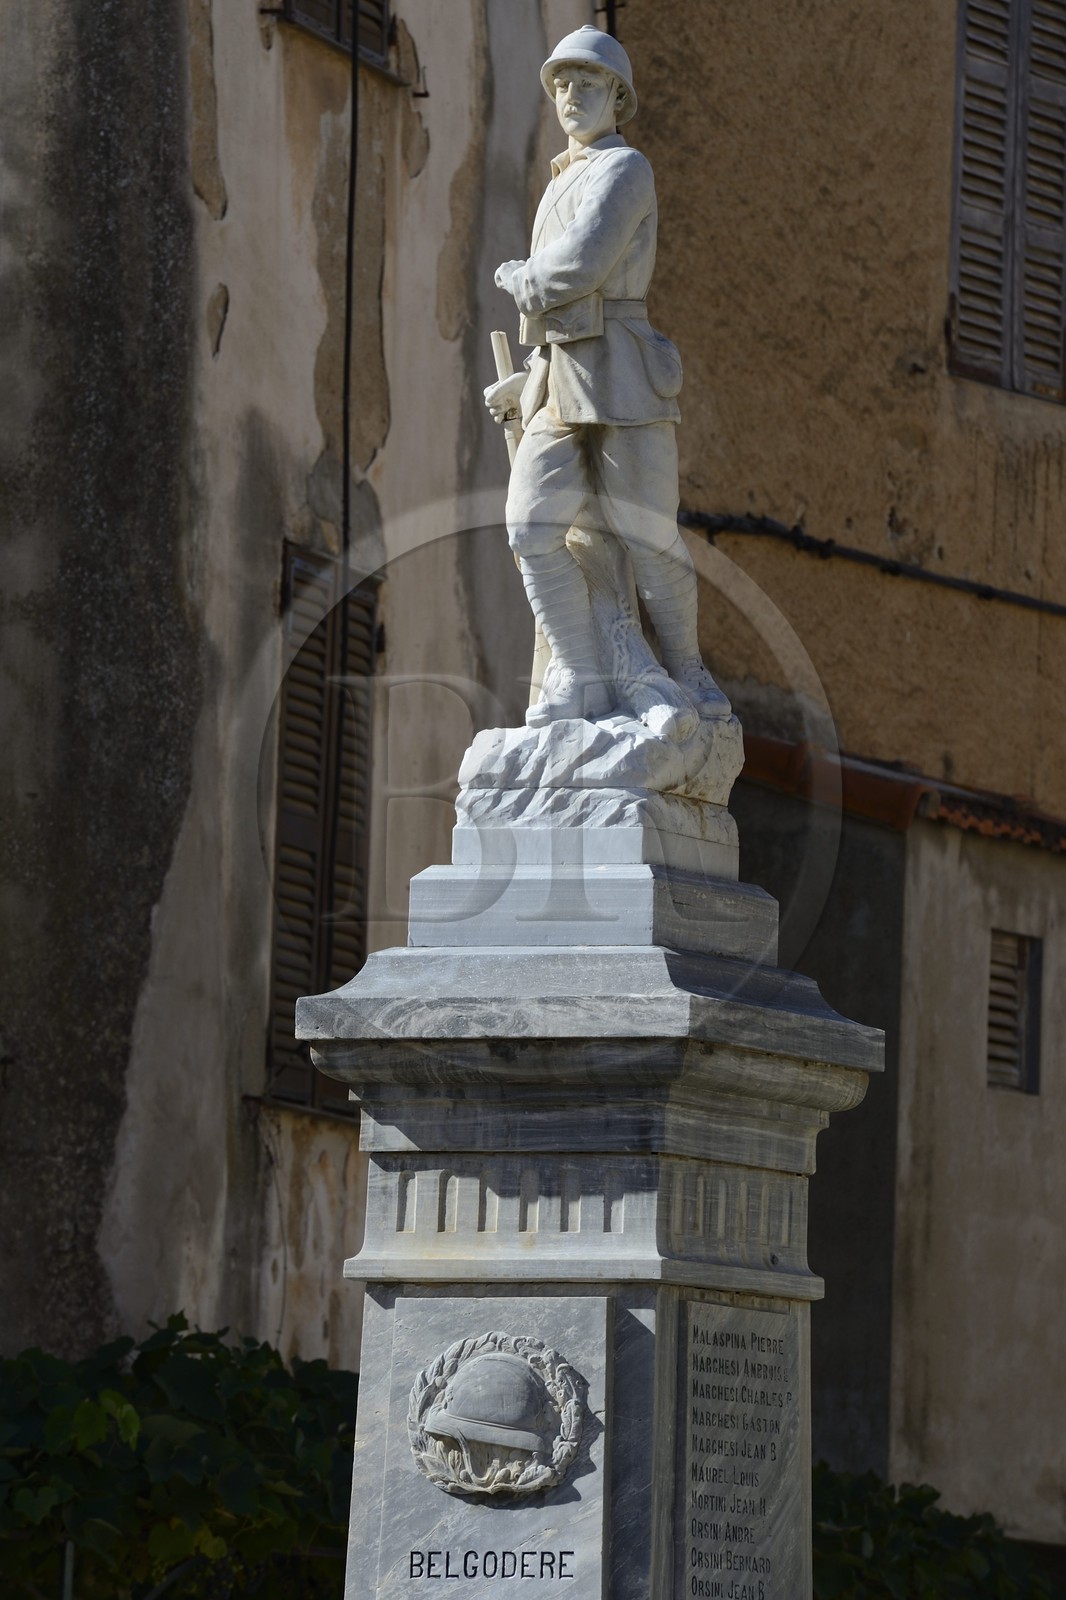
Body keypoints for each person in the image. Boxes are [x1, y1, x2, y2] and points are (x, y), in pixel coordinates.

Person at [485, 25, 728, 736]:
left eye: (588, 83)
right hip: (560, 374)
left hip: (621, 369)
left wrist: (522, 279)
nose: (571, 96)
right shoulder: (559, 182)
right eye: (561, 84)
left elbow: (584, 269)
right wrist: (527, 378)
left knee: (648, 536)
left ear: (618, 97)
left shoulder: (627, 170)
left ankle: (687, 668)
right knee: (531, 526)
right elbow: (566, 310)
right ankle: (582, 672)